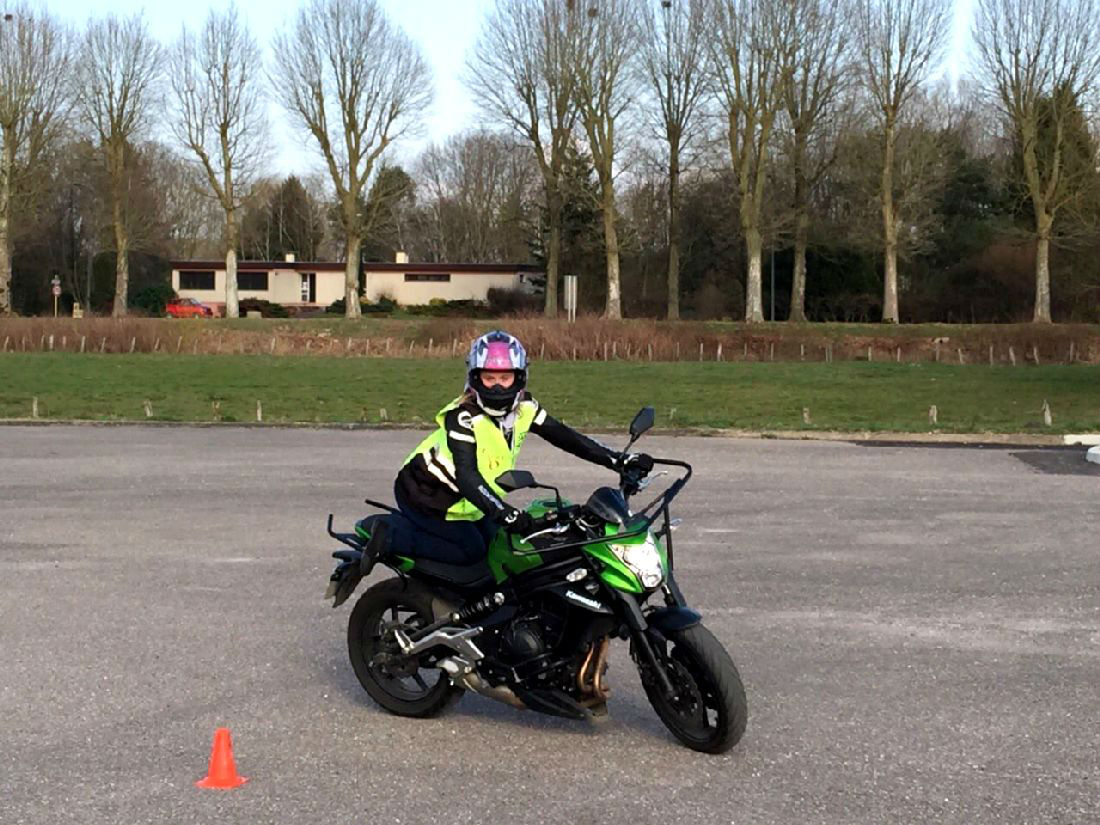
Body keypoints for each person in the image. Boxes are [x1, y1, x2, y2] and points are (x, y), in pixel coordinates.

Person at [378, 330, 653, 567]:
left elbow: (568, 438)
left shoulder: (526, 410)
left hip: (470, 501)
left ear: (519, 378)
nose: (498, 386)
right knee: (469, 552)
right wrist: (503, 512)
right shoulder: (462, 417)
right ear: (475, 378)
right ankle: (387, 534)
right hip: (426, 494)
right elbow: (467, 476)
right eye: (489, 378)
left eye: (505, 378)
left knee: (504, 553)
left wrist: (618, 460)